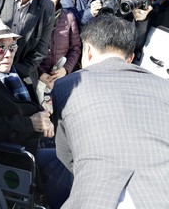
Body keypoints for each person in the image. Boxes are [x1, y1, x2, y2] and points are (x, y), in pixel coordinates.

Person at [0, 17, 73, 209]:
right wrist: (31, 124)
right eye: (0, 48)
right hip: (6, 153)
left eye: (12, 47)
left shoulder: (18, 74)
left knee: (76, 148)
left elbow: (33, 109)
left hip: (32, 142)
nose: (8, 54)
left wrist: (45, 119)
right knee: (63, 161)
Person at [52, 14, 169, 208]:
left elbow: (67, 157)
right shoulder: (163, 88)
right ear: (130, 58)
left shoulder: (66, 86)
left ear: (87, 50)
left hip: (97, 199)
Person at [37, 0, 81, 111]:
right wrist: (39, 74)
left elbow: (75, 48)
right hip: (39, 81)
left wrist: (65, 69)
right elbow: (26, 52)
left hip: (63, 79)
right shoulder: (33, 16)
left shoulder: (69, 17)